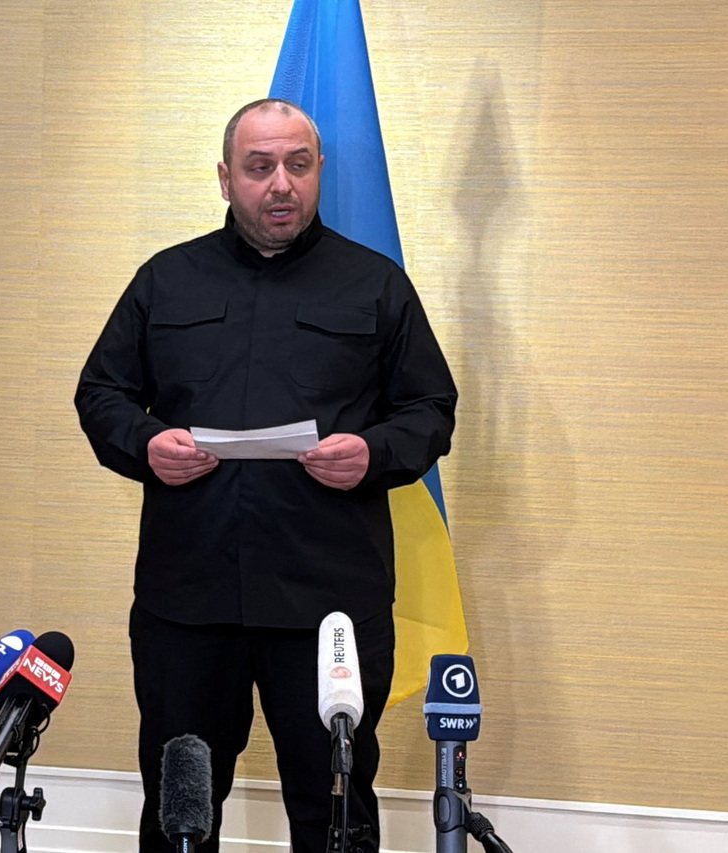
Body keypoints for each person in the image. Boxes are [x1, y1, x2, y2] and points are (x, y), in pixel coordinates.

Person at [75, 98, 456, 853]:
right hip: (189, 600)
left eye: (298, 165)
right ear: (226, 179)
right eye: (259, 167)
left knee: (334, 811)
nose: (281, 183)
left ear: (318, 172)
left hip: (327, 605)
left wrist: (373, 453)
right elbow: (101, 393)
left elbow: (430, 409)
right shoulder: (166, 280)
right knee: (180, 810)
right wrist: (146, 443)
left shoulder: (375, 284)